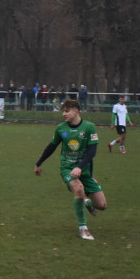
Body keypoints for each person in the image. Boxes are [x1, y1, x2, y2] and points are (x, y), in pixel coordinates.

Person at [33, 99, 107, 240]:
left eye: (67, 111)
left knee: (102, 205)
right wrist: (38, 163)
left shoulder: (89, 127)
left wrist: (80, 167)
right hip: (67, 168)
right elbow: (51, 147)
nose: (64, 114)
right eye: (63, 111)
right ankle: (83, 228)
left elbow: (92, 151)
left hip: (85, 171)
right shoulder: (61, 128)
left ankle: (86, 202)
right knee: (78, 189)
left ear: (76, 111)